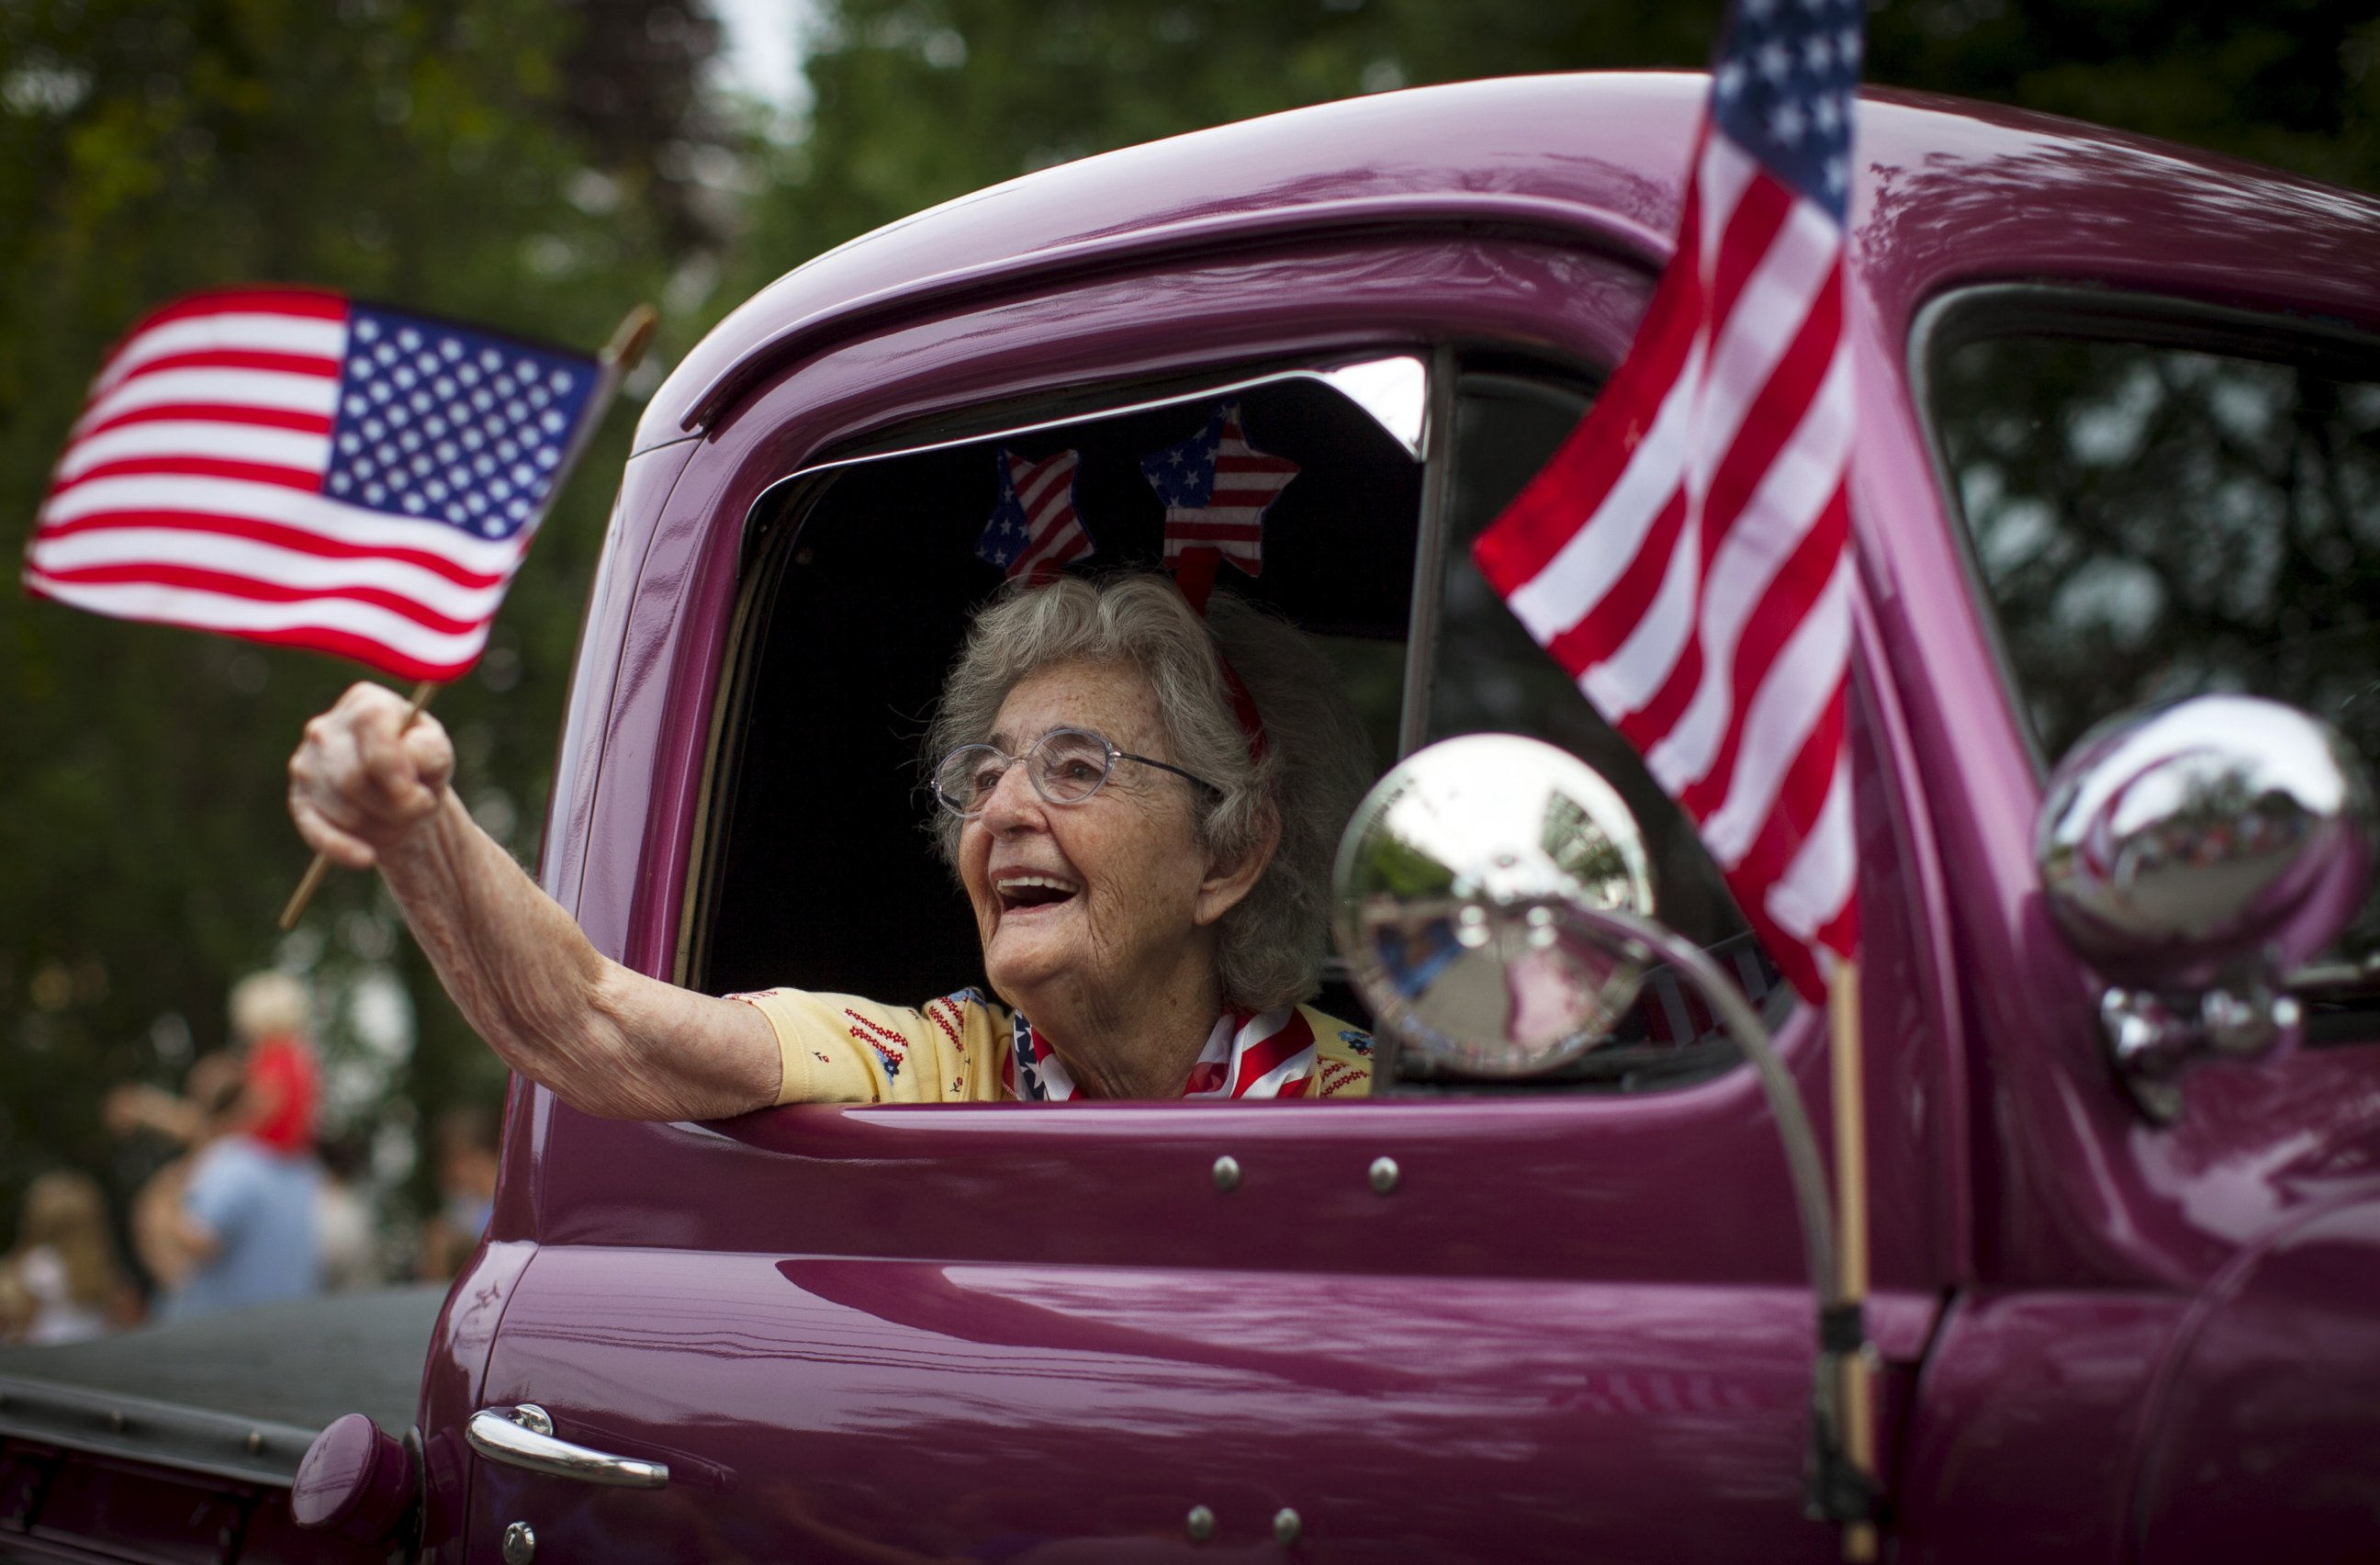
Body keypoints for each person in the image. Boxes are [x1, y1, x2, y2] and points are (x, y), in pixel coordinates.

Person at [286, 573, 1376, 1118]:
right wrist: (414, 826)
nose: (998, 813)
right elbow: (593, 1021)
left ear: (1229, 854)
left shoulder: (1368, 1111)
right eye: (985, 774)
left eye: (1077, 768)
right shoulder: (950, 1066)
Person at [148, 1052, 320, 1322]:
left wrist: (163, 1204)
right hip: (286, 1325)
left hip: (220, 1333)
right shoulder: (299, 1166)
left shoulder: (230, 1164)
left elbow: (197, 1244)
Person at [0, 1172, 137, 1345]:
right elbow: (124, 1317)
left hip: (47, 1351)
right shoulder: (100, 1265)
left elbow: (24, 1320)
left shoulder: (36, 1264)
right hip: (94, 1348)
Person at [416, 1105, 500, 1279]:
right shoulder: (464, 1206)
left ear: (482, 1155)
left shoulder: (508, 1210)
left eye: (455, 1159)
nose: (449, 1172)